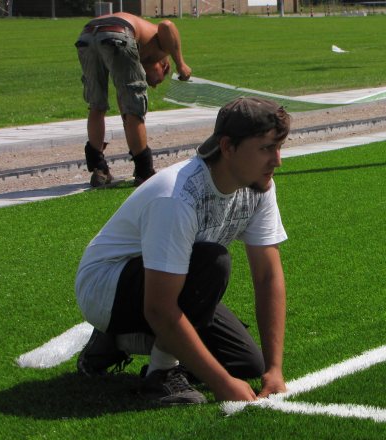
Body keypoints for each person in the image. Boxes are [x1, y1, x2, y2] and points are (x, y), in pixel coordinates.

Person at [74, 97, 290, 405]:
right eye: (266, 148)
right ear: (228, 147)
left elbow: (268, 276)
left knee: (246, 363)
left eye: (279, 147)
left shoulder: (257, 185)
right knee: (212, 263)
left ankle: (118, 341)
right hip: (106, 288)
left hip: (167, 279)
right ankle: (159, 376)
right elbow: (159, 307)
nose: (277, 160)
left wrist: (274, 369)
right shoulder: (177, 195)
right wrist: (221, 383)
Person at [75, 12, 192, 187]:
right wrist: (181, 64)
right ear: (163, 65)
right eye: (159, 79)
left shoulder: (139, 51)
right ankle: (144, 172)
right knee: (135, 109)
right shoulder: (162, 48)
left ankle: (99, 170)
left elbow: (123, 100)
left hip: (87, 35)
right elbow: (167, 25)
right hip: (118, 33)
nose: (153, 85)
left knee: (96, 106)